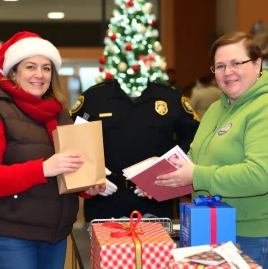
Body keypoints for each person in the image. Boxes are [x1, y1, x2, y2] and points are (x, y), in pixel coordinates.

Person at [152, 32, 268, 268]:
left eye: (236, 63)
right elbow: (194, 159)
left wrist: (196, 175)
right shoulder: (215, 108)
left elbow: (259, 176)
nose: (227, 72)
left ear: (257, 64)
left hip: (256, 236)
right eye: (220, 66)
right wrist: (161, 177)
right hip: (209, 228)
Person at [0, 31, 105, 269]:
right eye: (30, 67)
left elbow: (66, 169)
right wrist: (43, 168)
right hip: (7, 236)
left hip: (54, 236)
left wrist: (87, 185)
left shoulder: (57, 111)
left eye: (46, 68)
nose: (39, 75)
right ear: (13, 72)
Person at [70, 79, 199, 221]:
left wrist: (169, 167)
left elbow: (194, 138)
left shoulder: (170, 97)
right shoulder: (94, 97)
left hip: (157, 196)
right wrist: (88, 173)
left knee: (157, 243)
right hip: (103, 195)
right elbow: (73, 138)